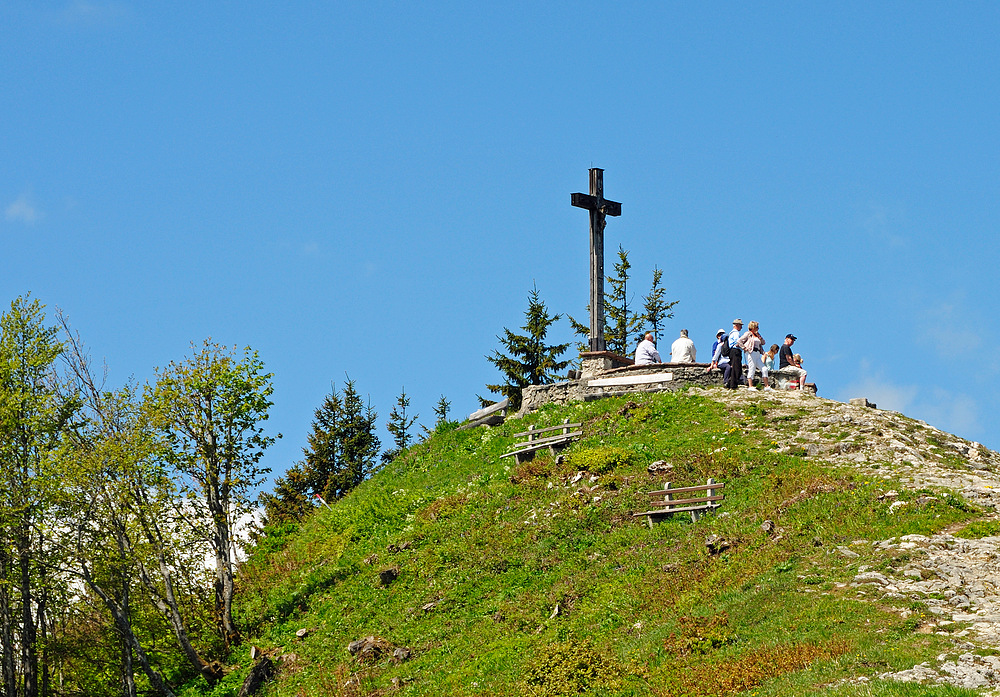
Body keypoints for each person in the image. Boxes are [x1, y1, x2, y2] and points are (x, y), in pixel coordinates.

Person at [738, 321, 771, 389]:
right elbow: (739, 341)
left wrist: (760, 337)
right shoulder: (748, 334)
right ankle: (750, 386)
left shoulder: (757, 335)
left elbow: (763, 343)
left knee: (764, 369)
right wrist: (744, 348)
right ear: (753, 327)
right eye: (756, 327)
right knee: (752, 368)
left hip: (757, 353)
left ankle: (766, 386)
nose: (758, 328)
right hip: (751, 352)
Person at [726, 319, 743, 389]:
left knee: (736, 367)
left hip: (733, 351)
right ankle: (733, 384)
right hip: (735, 350)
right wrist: (744, 346)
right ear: (736, 325)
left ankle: (731, 382)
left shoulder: (732, 333)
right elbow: (737, 342)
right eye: (740, 325)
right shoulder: (736, 333)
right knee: (736, 368)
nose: (741, 327)